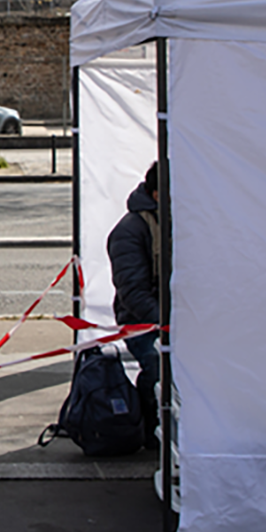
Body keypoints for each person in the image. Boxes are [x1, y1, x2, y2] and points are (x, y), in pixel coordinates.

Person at [105, 161, 167, 448]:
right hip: (141, 321)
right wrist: (165, 323)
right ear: (157, 194)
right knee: (158, 363)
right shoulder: (130, 230)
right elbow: (133, 292)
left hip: (173, 317)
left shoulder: (180, 222)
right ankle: (151, 428)